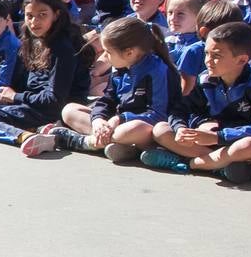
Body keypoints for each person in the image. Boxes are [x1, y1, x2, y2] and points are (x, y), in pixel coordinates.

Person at [0, 0, 89, 157]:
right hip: (35, 103)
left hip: (55, 108)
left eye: (42, 15)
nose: (34, 22)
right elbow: (25, 82)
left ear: (55, 15)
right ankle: (43, 130)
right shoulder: (32, 39)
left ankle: (26, 136)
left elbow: (54, 98)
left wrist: (15, 97)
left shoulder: (62, 48)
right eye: (29, 15)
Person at [49, 15, 178, 163]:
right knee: (69, 110)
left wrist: (120, 119)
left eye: (108, 53)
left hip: (143, 126)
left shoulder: (158, 70)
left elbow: (158, 114)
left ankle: (87, 142)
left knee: (129, 130)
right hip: (116, 125)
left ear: (129, 52)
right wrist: (99, 120)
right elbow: (107, 100)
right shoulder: (120, 67)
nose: (105, 58)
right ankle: (121, 147)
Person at [143, 21, 251, 182]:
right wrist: (181, 128)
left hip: (233, 140)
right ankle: (219, 166)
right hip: (209, 140)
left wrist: (218, 137)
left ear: (242, 60)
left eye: (216, 56)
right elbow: (180, 109)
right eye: (206, 53)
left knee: (249, 146)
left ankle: (187, 162)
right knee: (161, 129)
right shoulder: (205, 79)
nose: (208, 61)